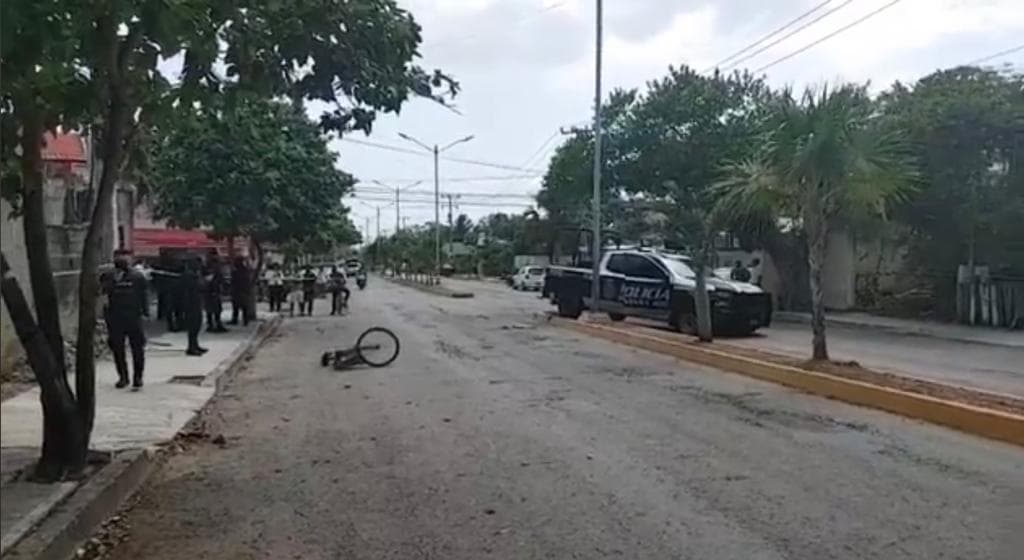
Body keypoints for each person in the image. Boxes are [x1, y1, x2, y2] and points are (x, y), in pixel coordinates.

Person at [102, 250, 149, 389]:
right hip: (115, 318)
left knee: (138, 348)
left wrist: (145, 313)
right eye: (119, 256)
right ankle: (123, 376)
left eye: (125, 256)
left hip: (133, 317)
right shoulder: (108, 276)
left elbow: (143, 295)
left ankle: (138, 377)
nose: (122, 259)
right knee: (118, 349)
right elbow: (102, 293)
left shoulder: (137, 276)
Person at [181, 256, 208, 356]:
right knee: (193, 327)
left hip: (196, 303)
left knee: (197, 325)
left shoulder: (195, 274)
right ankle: (191, 347)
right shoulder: (189, 275)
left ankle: (195, 345)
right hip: (191, 304)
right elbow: (198, 287)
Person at [204, 252, 228, 333]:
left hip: (213, 292)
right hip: (212, 292)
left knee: (214, 309)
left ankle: (214, 324)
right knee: (213, 309)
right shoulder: (211, 269)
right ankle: (213, 325)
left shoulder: (211, 269)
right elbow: (211, 281)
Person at [230, 256, 252, 326]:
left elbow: (233, 281)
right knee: (242, 306)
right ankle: (244, 320)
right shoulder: (245, 270)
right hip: (242, 290)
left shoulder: (237, 271)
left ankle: (237, 320)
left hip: (239, 290)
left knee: (238, 306)